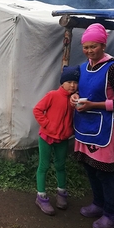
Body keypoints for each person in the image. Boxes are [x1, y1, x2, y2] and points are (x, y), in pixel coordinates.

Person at [70, 23, 114, 228]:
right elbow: (78, 91)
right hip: (84, 126)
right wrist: (74, 97)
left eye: (93, 46)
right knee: (89, 168)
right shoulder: (82, 67)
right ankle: (98, 204)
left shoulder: (113, 68)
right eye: (86, 46)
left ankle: (112, 215)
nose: (89, 50)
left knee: (105, 173)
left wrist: (94, 105)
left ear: (103, 45)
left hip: (104, 128)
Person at [33, 65, 80, 216]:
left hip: (63, 138)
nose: (72, 85)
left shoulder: (75, 99)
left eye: (75, 82)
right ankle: (41, 196)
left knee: (60, 165)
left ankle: (61, 193)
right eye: (69, 81)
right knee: (44, 166)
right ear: (62, 82)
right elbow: (37, 110)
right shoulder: (53, 95)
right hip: (46, 136)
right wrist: (47, 125)